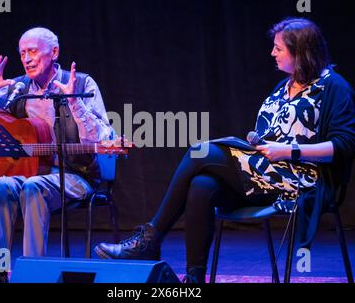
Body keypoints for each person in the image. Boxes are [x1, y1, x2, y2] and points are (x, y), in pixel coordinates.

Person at [94, 17, 355, 283]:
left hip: (302, 181)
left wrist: (288, 151)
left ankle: (150, 238)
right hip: (264, 172)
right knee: (202, 185)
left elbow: (343, 146)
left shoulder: (334, 88)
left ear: (300, 52)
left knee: (202, 151)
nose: (272, 53)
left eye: (279, 48)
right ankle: (195, 279)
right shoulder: (283, 87)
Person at [0, 27, 113, 282]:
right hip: (35, 173)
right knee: (2, 185)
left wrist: (74, 103)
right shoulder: (17, 88)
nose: (26, 58)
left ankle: (33, 275)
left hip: (77, 175)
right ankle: (1, 268)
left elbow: (100, 139)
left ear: (54, 52)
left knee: (32, 187)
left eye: (32, 51)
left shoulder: (82, 83)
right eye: (22, 53)